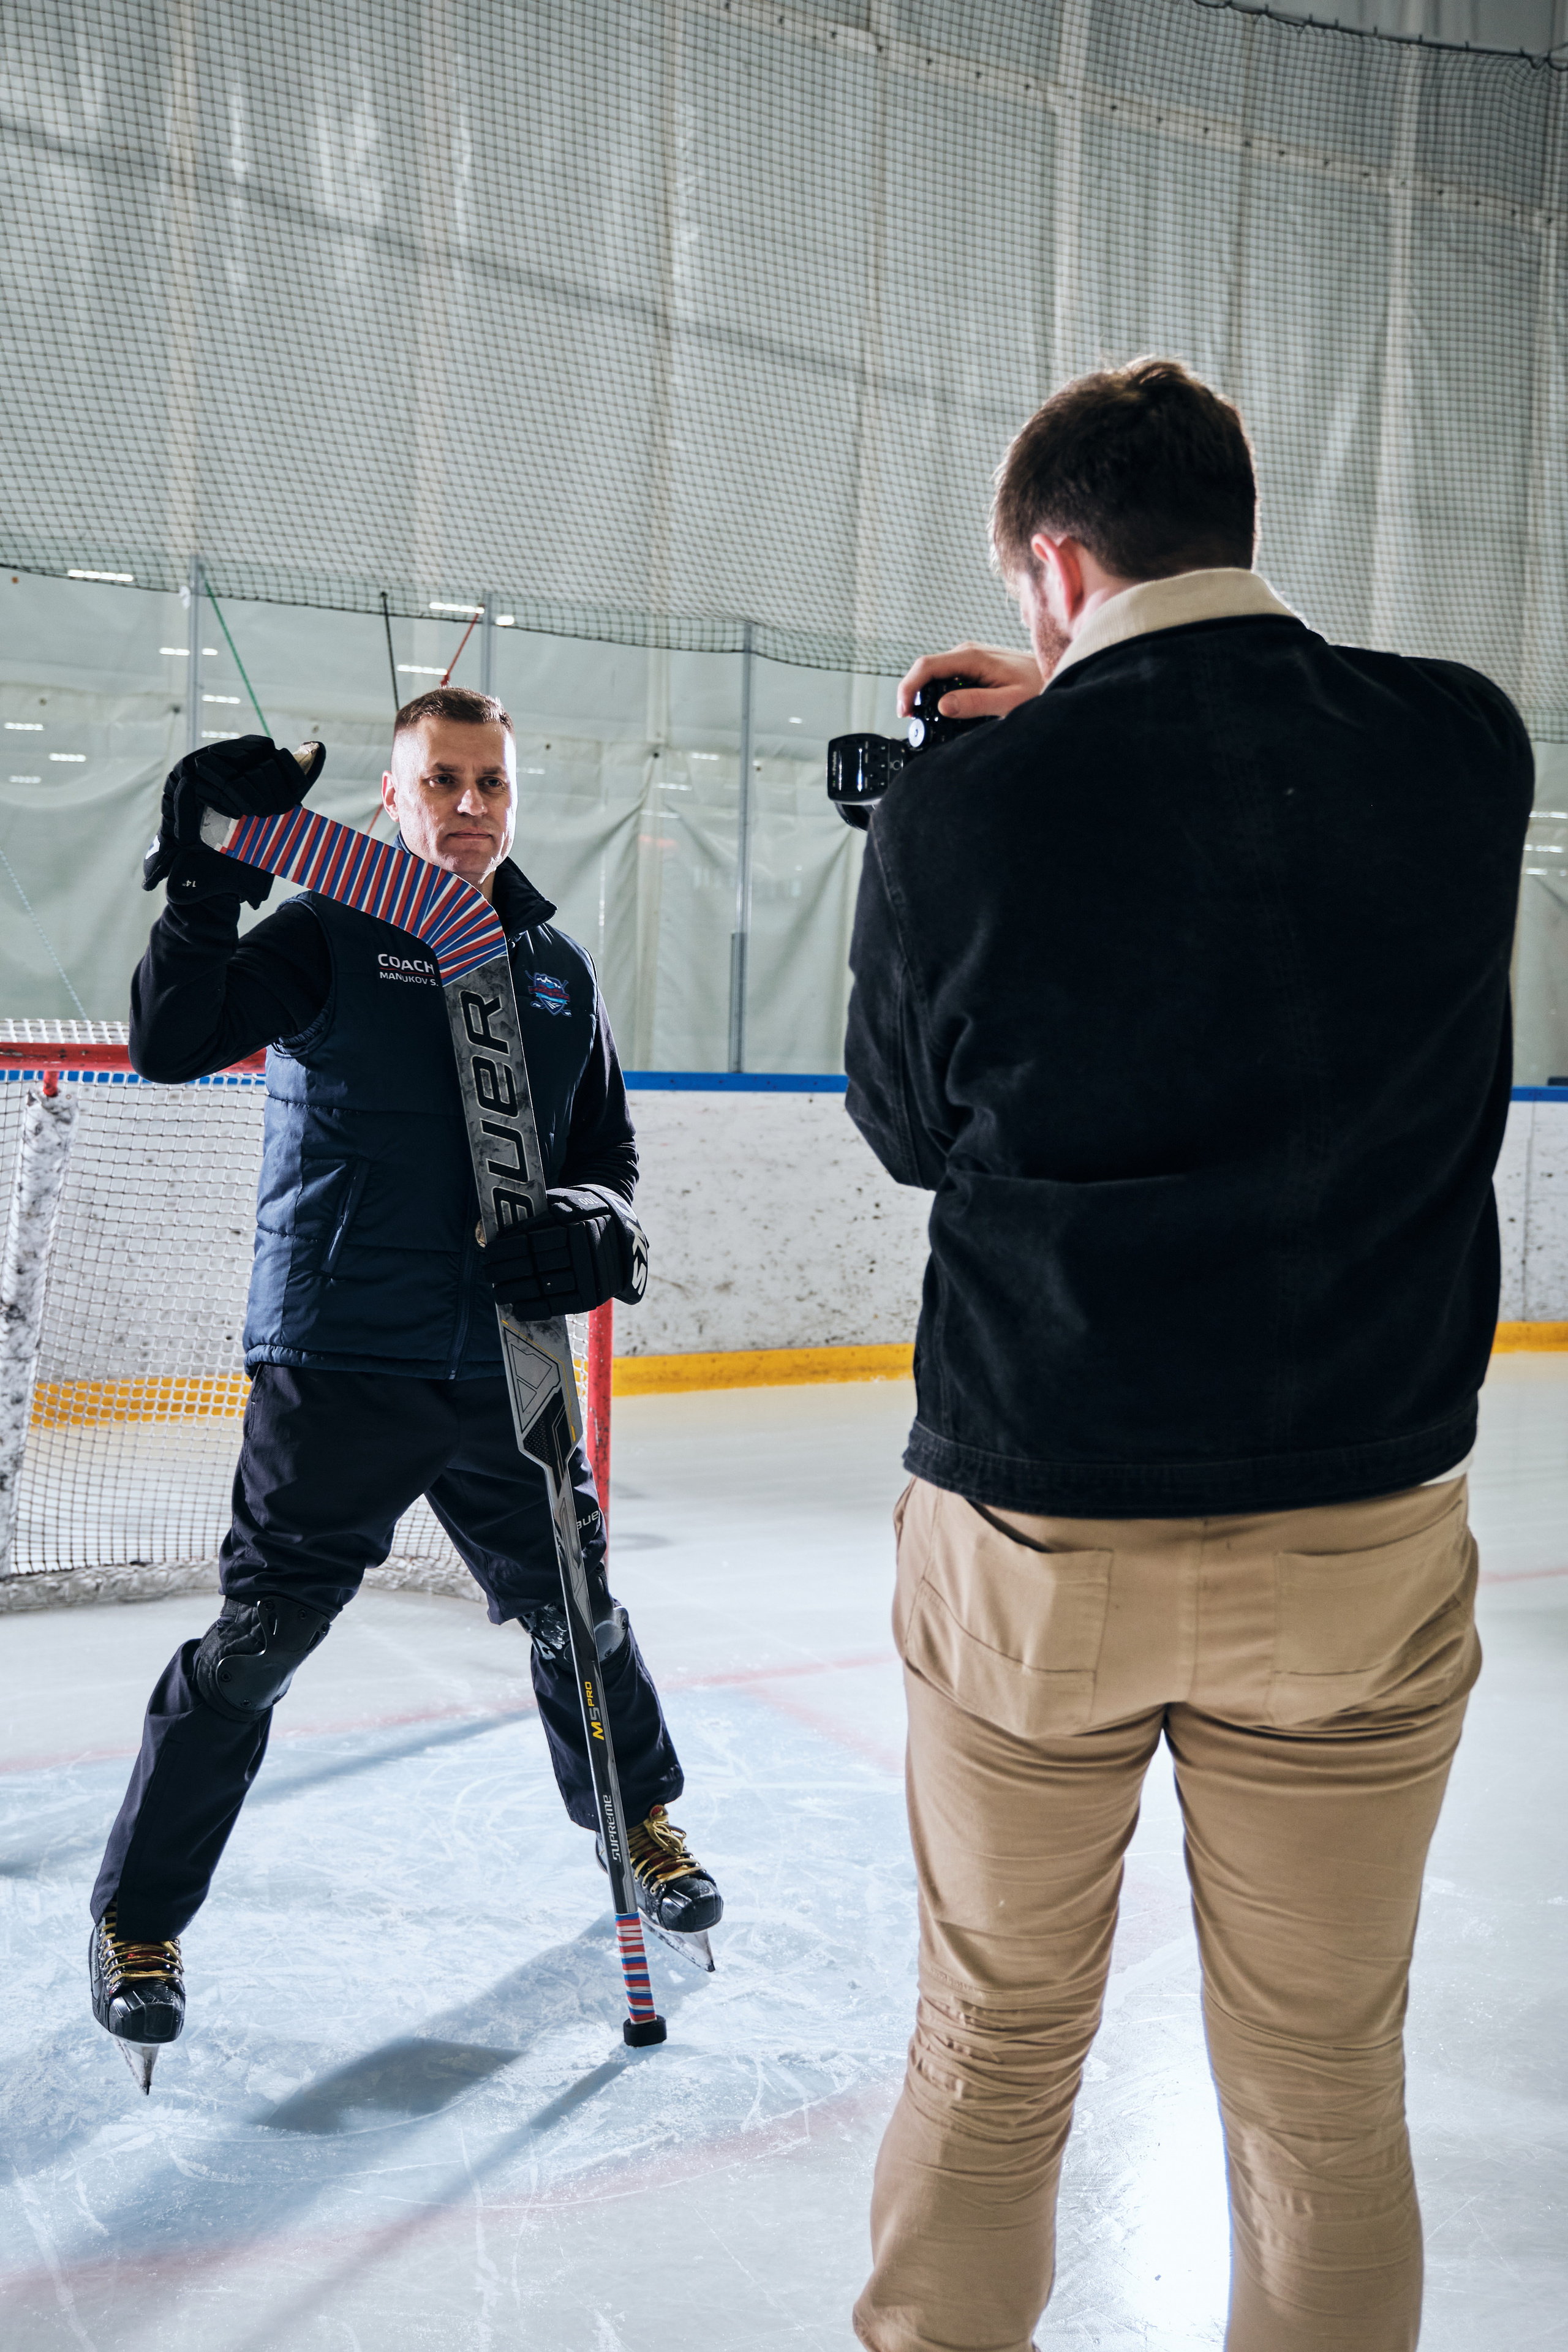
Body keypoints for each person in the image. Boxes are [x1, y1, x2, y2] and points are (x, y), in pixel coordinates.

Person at [844, 358, 1532, 2352]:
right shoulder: (1458, 747)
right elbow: (1249, 826)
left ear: (1053, 568)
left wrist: (1010, 759)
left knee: (989, 2055)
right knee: (1323, 2091)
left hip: (1037, 1534)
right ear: (1236, 517)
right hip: (1357, 1542)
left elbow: (908, 1130)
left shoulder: (971, 807)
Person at [89, 686, 722, 2077]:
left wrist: (600, 1228)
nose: (471, 806)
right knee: (258, 1648)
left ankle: (643, 1821)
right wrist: (204, 891)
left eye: (492, 782)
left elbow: (606, 1157)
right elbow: (169, 1038)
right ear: (393, 795)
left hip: (508, 1369)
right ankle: (139, 1919)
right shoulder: (328, 933)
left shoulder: (552, 966)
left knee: (579, 1613)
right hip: (341, 1363)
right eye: (442, 781)